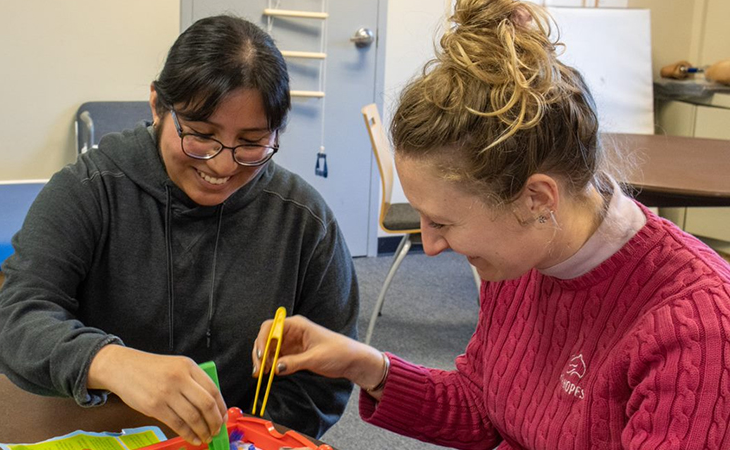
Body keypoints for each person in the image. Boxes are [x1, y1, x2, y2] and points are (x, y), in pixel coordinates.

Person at [252, 1, 730, 449]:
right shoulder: (524, 252)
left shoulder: (698, 331)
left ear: (537, 199)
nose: (432, 245)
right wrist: (366, 365)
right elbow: (487, 406)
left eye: (443, 222)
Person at [0, 15, 358, 446]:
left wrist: (247, 437)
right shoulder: (90, 190)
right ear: (157, 106)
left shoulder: (304, 220)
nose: (223, 165)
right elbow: (17, 317)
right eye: (201, 134)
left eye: (252, 142)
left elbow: (323, 383)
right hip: (101, 433)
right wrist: (109, 361)